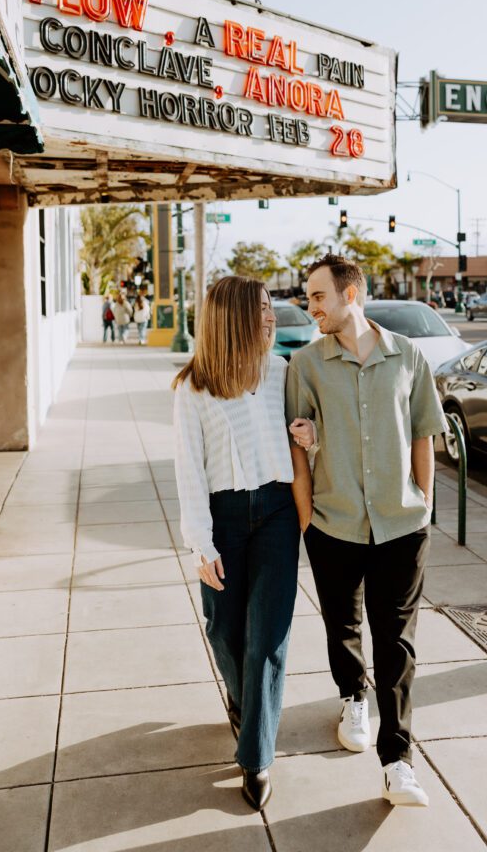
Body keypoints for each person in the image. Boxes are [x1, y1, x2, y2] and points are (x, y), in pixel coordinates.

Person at [286, 254, 447, 808]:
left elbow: (425, 431)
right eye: (309, 297)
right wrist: (307, 520)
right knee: (342, 623)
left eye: (318, 296)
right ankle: (353, 695)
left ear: (349, 295)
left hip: (402, 523)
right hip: (333, 524)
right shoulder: (305, 364)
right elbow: (297, 448)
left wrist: (422, 502)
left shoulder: (409, 357)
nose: (312, 306)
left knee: (397, 641)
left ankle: (397, 759)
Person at [172, 276, 315, 811]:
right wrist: (200, 544)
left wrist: (309, 437)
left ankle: (256, 757)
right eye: (260, 309)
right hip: (223, 520)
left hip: (277, 513)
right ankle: (245, 701)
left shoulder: (282, 372)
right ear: (232, 317)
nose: (270, 317)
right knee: (225, 633)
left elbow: (303, 441)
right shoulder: (193, 387)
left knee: (267, 638)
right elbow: (188, 470)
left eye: (270, 307)